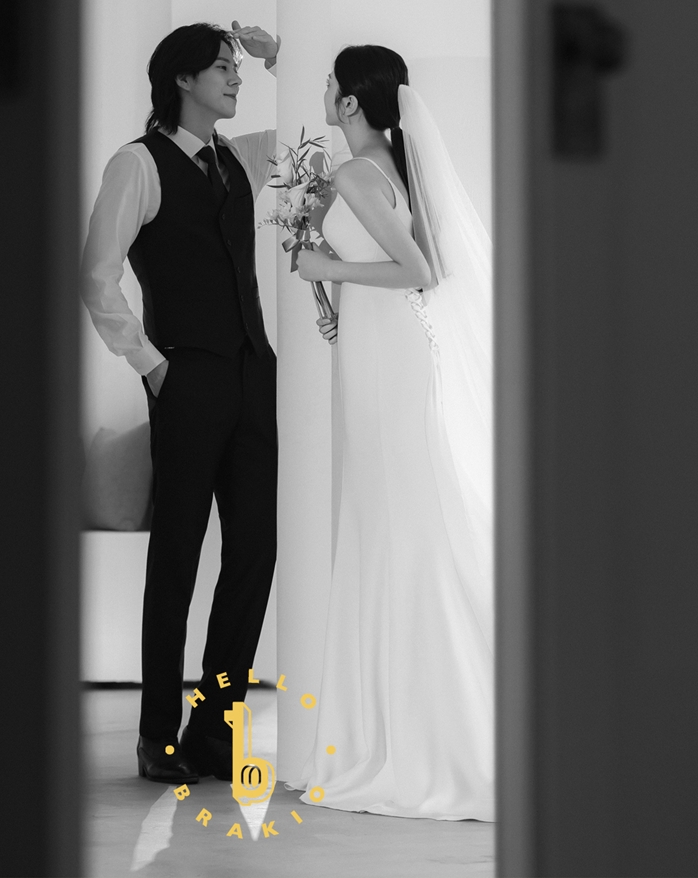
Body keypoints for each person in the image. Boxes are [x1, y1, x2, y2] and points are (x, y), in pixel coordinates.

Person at [295, 45, 494, 820]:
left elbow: (419, 271)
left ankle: (422, 739)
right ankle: (407, 726)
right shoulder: (386, 167)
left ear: (350, 102)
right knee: (396, 526)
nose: (324, 90)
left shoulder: (356, 173)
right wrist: (332, 288)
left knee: (401, 529)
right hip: (388, 352)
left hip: (391, 365)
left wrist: (327, 272)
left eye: (330, 83)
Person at [81, 20, 281, 786]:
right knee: (177, 559)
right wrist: (153, 367)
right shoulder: (136, 164)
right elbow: (97, 275)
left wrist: (276, 57)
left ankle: (213, 728)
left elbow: (312, 135)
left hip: (253, 377)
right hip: (187, 380)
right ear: (182, 79)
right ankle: (156, 735)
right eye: (223, 68)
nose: (236, 78)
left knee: (254, 553)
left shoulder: (241, 157)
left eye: (237, 67)